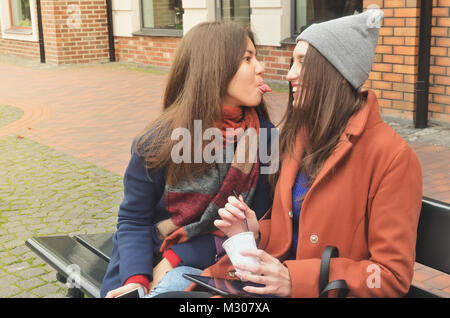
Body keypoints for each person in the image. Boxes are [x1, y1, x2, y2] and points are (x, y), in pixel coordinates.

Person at [202, 9, 423, 298]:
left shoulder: (393, 158)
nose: (290, 74)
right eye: (293, 62)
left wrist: (297, 279)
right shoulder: (301, 137)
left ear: (338, 74)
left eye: (302, 63)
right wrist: (255, 231)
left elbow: (390, 277)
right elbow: (293, 234)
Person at [100, 21, 277, 298]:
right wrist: (136, 280)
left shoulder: (265, 138)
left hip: (220, 267)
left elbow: (260, 225)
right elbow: (133, 219)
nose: (260, 68)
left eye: (256, 57)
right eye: (247, 58)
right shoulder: (158, 141)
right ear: (214, 68)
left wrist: (177, 256)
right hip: (144, 260)